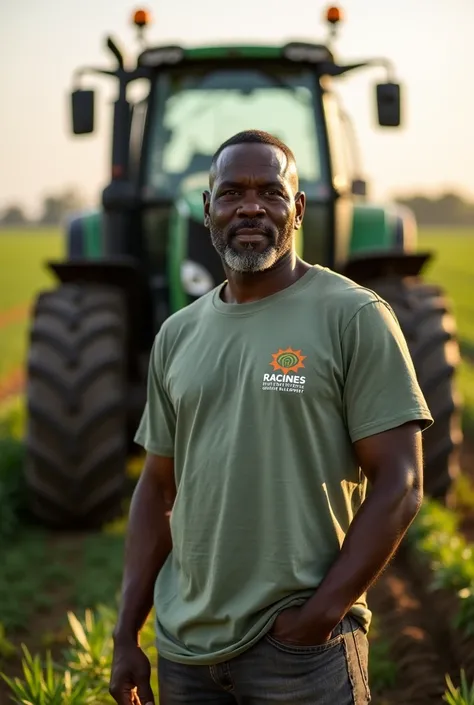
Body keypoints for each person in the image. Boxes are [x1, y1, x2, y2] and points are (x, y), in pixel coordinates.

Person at [109, 130, 433, 705]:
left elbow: (400, 483)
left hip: (299, 653)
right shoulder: (177, 334)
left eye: (272, 192)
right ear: (208, 209)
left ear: (299, 209)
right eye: (232, 192)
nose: (251, 206)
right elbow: (158, 487)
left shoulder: (354, 316)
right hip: (186, 654)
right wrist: (126, 630)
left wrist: (318, 618)